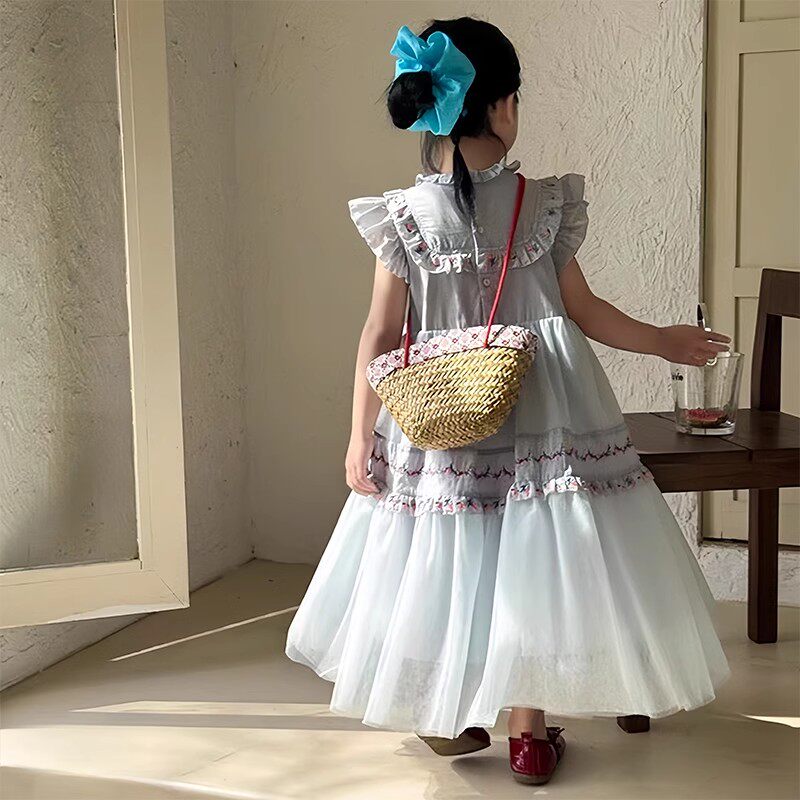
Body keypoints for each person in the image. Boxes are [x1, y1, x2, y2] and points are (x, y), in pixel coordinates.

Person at [285, 17, 730, 786]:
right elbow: (584, 311)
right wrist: (663, 341)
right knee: (536, 556)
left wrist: (360, 436)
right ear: (500, 106)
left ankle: (449, 711)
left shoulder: (403, 216)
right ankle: (528, 732)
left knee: (446, 554)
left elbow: (380, 333)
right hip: (545, 408)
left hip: (439, 413)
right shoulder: (540, 203)